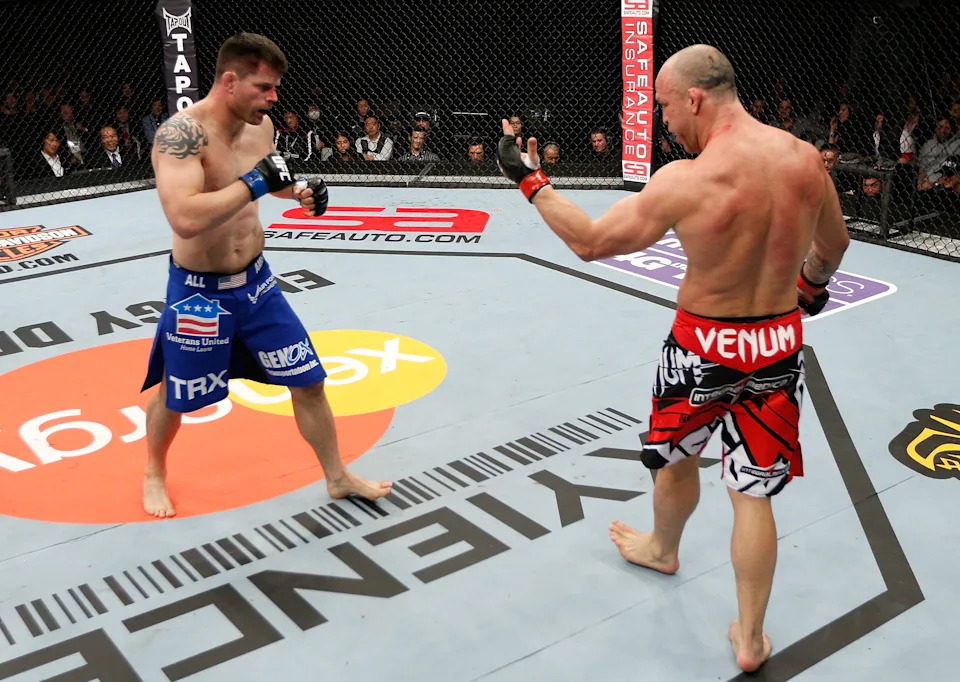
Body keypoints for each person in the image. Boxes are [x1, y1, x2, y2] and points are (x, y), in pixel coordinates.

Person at [496, 44, 849, 673]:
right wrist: (809, 286)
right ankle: (750, 639)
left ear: (694, 98)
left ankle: (663, 548)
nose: (664, 121)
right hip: (777, 345)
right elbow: (835, 243)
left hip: (701, 348)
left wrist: (529, 180)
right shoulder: (803, 159)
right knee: (753, 496)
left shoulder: (687, 180)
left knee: (678, 457)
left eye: (664, 107)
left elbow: (590, 241)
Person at [141, 32, 392, 518]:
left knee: (309, 380)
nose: (274, 97)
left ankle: (337, 476)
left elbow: (269, 179)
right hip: (199, 293)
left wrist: (296, 191)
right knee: (176, 390)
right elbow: (185, 217)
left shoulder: (260, 126)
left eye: (276, 87)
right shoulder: (180, 135)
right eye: (264, 87)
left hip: (258, 284)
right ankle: (154, 470)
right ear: (229, 81)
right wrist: (255, 182)